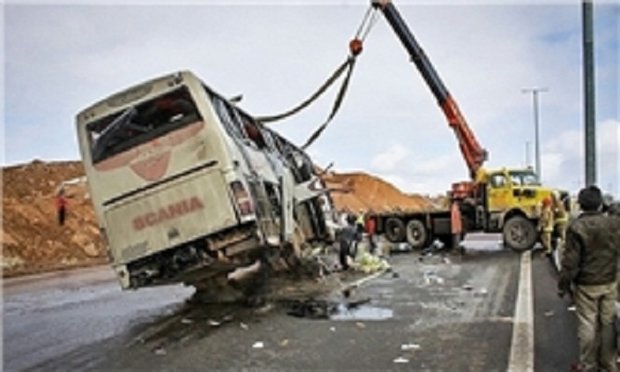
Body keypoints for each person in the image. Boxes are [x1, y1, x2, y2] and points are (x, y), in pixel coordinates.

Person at [558, 185, 620, 372]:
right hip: (609, 282)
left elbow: (570, 263)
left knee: (587, 324)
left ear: (581, 205)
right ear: (600, 203)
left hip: (586, 285)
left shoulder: (577, 227)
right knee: (608, 323)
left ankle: (588, 365)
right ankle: (608, 363)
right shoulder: (613, 223)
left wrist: (564, 285)